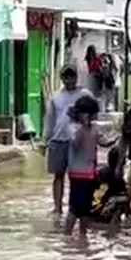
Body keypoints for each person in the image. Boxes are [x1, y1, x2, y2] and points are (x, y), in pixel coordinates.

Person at [65, 95, 113, 237]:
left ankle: (83, 236)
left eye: (87, 113)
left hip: (90, 174)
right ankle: (67, 235)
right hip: (77, 174)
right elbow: (75, 144)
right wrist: (82, 128)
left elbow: (103, 142)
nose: (84, 116)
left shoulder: (95, 129)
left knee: (86, 208)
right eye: (82, 113)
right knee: (74, 208)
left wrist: (116, 139)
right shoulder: (74, 128)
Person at [44, 66, 88, 216]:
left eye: (72, 76)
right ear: (62, 78)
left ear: (76, 77)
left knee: (76, 177)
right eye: (66, 77)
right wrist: (46, 140)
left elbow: (93, 116)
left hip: (77, 141)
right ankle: (57, 208)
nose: (69, 79)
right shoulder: (55, 97)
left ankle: (73, 209)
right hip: (58, 140)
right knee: (58, 175)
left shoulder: (84, 95)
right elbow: (50, 119)